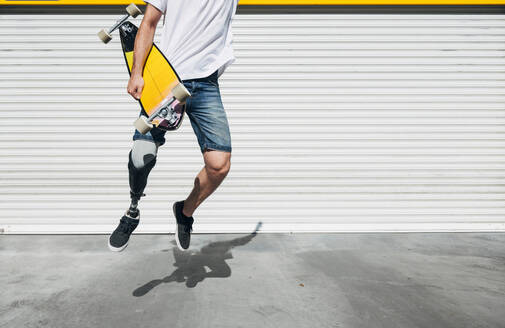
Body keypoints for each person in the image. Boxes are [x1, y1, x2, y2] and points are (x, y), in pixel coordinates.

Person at [108, 0, 238, 252]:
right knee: (141, 156)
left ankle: (184, 212)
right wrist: (137, 73)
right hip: (165, 79)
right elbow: (148, 23)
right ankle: (132, 212)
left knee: (219, 165)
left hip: (206, 85)